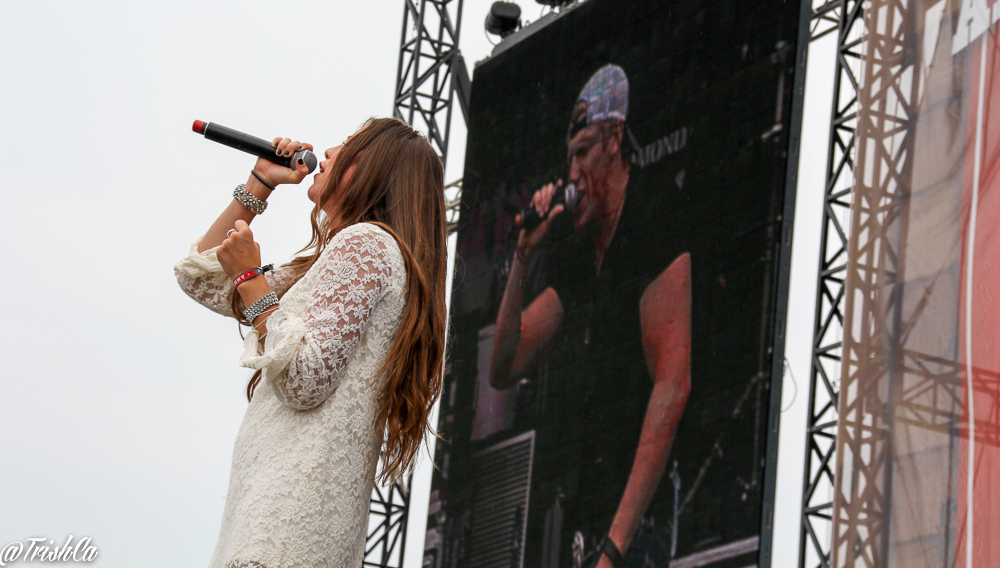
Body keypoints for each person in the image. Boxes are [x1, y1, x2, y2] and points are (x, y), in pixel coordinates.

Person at [174, 117, 448, 568]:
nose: (327, 152)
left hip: (284, 528)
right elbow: (200, 279)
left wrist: (250, 279)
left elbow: (305, 378)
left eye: (345, 146)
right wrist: (259, 184)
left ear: (371, 168)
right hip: (280, 526)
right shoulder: (339, 257)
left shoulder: (365, 245)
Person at [490, 65, 691, 568]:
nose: (572, 172)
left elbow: (673, 383)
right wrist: (522, 257)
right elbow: (504, 366)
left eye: (582, 152)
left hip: (634, 534)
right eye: (570, 156)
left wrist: (614, 548)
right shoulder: (579, 255)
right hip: (587, 522)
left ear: (615, 138)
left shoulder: (654, 216)